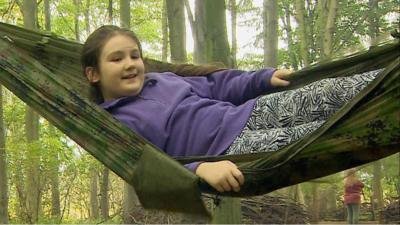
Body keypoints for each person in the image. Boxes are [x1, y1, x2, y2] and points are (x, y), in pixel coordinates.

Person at [81, 25, 381, 193]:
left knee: (328, 92)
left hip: (251, 112)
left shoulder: (162, 80)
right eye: (117, 59)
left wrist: (261, 79)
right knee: (328, 132)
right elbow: (151, 170)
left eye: (135, 55)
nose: (131, 64)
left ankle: (389, 77)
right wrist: (199, 170)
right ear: (93, 74)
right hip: (236, 149)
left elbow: (217, 86)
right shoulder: (116, 124)